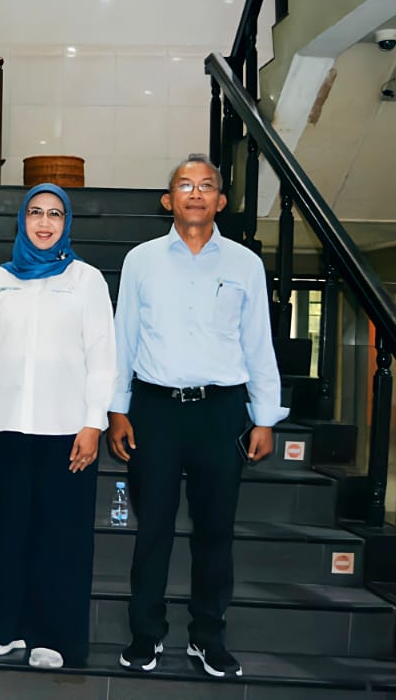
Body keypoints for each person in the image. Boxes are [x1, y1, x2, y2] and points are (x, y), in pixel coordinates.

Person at [109, 154, 285, 679]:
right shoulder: (141, 260)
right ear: (168, 200)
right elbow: (123, 338)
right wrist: (117, 410)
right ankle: (146, 634)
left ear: (221, 201)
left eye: (206, 185)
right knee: (153, 530)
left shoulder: (244, 265)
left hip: (220, 412)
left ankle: (208, 637)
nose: (195, 193)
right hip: (155, 410)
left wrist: (264, 417)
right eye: (184, 185)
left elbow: (258, 342)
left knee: (215, 531)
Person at [0, 183, 116, 669]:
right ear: (22, 220)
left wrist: (93, 424)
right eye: (35, 213)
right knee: (3, 532)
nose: (44, 223)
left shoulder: (87, 281)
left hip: (67, 431)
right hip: (2, 427)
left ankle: (55, 637)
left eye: (54, 214)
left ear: (66, 223)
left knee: (61, 537)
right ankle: (0, 628)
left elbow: (102, 358)